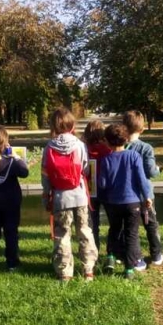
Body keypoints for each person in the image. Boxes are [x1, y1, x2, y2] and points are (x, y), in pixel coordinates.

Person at [41, 108, 98, 282]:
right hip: (79, 195)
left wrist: (47, 196)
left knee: (62, 234)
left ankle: (65, 272)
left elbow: (45, 176)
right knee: (84, 230)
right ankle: (88, 269)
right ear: (72, 124)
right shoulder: (80, 145)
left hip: (60, 198)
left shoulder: (49, 147)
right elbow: (85, 168)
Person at [99, 124, 152, 279]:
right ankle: (129, 269)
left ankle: (111, 257)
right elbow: (141, 179)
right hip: (132, 202)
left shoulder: (105, 160)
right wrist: (147, 196)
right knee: (131, 234)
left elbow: (102, 184)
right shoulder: (134, 156)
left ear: (107, 142)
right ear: (126, 139)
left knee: (114, 229)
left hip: (112, 203)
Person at [0, 125, 29, 272]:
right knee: (11, 232)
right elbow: (24, 172)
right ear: (4, 142)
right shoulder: (11, 161)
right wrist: (16, 156)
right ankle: (12, 262)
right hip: (11, 202)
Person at [123, 110, 163, 266]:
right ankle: (156, 254)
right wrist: (158, 170)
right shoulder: (146, 148)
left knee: (130, 229)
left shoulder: (120, 147)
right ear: (142, 129)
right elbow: (151, 172)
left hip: (127, 195)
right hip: (144, 195)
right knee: (151, 224)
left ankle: (135, 257)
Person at [82, 119, 111, 250]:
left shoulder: (84, 149)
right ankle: (113, 251)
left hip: (88, 190)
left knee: (92, 224)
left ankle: (94, 249)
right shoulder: (107, 149)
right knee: (113, 221)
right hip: (106, 189)